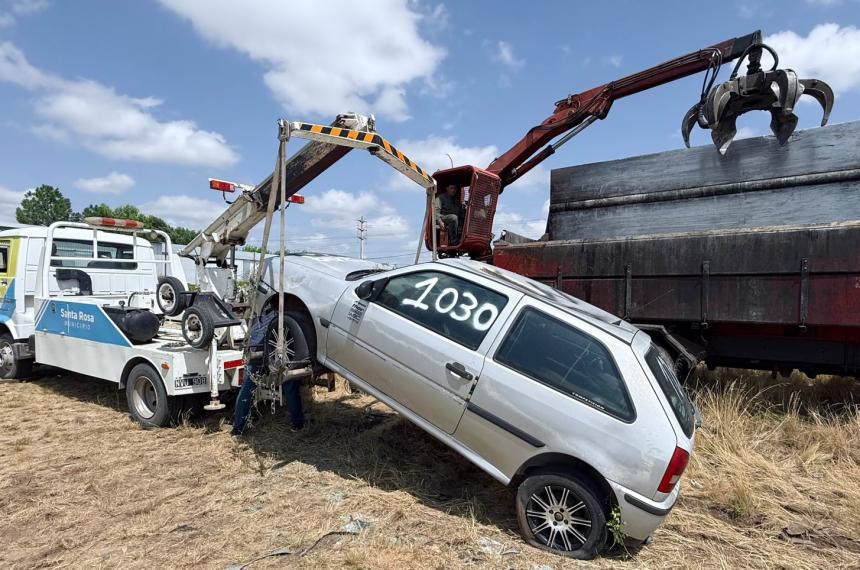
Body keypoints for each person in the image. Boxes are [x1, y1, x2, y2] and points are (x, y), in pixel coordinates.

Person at [232, 312, 305, 435]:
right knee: (289, 384)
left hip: (256, 346)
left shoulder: (266, 309)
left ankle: (238, 428)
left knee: (248, 387)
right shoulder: (285, 311)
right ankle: (298, 425)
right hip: (271, 348)